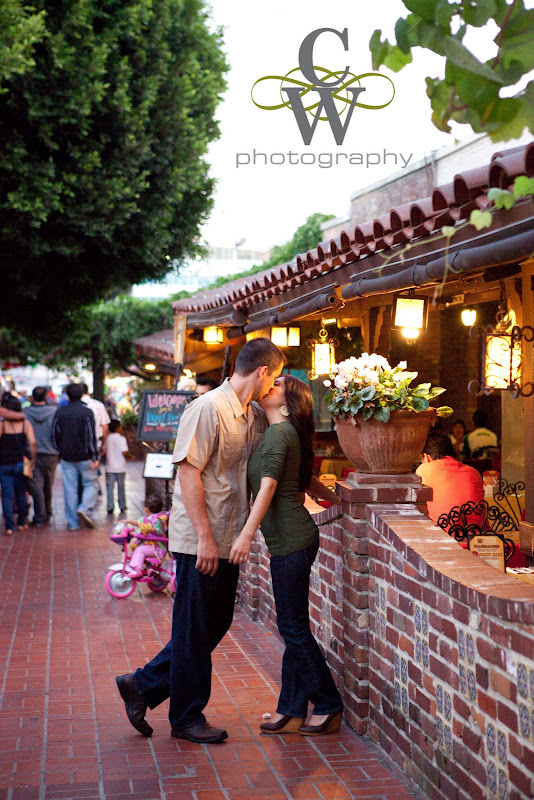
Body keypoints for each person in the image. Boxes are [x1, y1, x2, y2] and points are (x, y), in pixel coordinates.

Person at [115, 338, 286, 743]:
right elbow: (188, 475)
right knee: (194, 627)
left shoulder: (254, 416)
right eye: (275, 378)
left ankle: (142, 683)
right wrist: (206, 540)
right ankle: (186, 717)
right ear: (263, 371)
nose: (274, 385)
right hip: (200, 538)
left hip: (229, 535)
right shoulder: (207, 408)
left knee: (215, 621)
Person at [229, 375, 343, 736]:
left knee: (292, 628)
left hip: (292, 540)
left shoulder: (280, 433)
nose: (267, 386)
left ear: (288, 402)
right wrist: (341, 501)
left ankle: (327, 704)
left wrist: (246, 535)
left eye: (276, 384)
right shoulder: (280, 433)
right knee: (292, 628)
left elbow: (271, 485)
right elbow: (306, 480)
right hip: (291, 540)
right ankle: (291, 710)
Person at [52, 383, 100, 530]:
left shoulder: (60, 412)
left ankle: (73, 523)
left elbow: (54, 435)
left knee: (70, 489)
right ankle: (85, 508)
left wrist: (59, 450)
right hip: (85, 456)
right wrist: (95, 456)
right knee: (91, 484)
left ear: (67, 395)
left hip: (66, 457)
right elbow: (91, 436)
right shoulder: (87, 412)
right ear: (82, 394)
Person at [416, 432, 484, 525]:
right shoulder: (473, 472)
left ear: (426, 457)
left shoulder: (424, 470)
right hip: (477, 536)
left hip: (444, 535)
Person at [0, 393, 37, 535]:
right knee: (21, 493)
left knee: (7, 496)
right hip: (21, 463)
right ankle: (22, 523)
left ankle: (9, 527)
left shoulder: (2, 425)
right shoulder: (25, 424)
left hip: (4, 464)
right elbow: (33, 443)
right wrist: (32, 460)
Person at [24, 386, 59, 526]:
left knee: (35, 485)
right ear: (46, 397)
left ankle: (39, 515)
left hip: (31, 453)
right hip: (51, 453)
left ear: (32, 397)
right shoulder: (54, 412)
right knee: (48, 485)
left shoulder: (25, 412)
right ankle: (48, 512)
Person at [124, 494, 170, 577]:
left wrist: (128, 521)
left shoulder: (153, 520)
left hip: (157, 547)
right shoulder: (160, 517)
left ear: (146, 509)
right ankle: (142, 567)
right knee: (136, 548)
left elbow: (140, 522)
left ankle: (138, 569)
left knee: (139, 550)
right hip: (154, 544)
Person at [105, 419, 134, 514]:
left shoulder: (108, 438)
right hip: (120, 467)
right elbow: (124, 452)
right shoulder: (121, 439)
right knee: (121, 487)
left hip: (109, 467)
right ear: (117, 428)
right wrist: (131, 456)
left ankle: (110, 506)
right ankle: (122, 505)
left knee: (110, 488)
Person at [82, 383, 111, 458]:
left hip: (76, 446)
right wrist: (104, 444)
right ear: (87, 392)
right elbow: (105, 427)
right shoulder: (98, 405)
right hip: (95, 443)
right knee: (92, 467)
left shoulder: (71, 407)